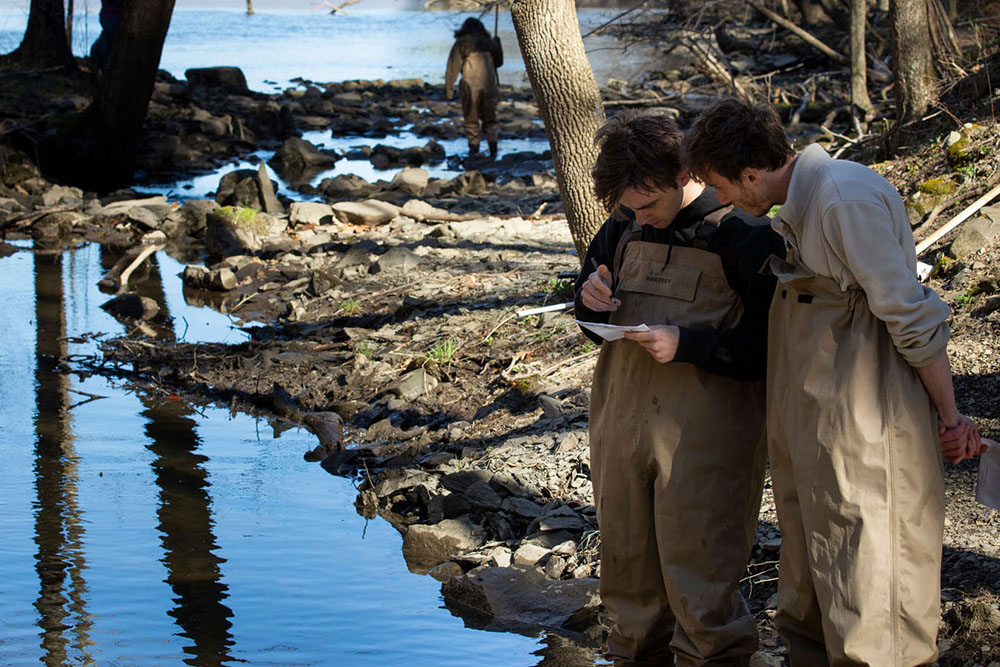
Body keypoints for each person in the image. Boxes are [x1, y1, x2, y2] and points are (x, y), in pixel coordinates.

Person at [683, 97, 985, 666]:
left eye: (723, 187)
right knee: (810, 578)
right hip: (815, 423)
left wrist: (950, 416)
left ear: (751, 174)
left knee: (870, 585)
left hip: (867, 424)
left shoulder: (843, 200)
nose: (721, 201)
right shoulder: (796, 205)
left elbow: (913, 317)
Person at [574, 109, 784, 666]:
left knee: (702, 592)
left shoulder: (744, 234)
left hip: (706, 444)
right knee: (628, 588)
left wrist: (687, 344)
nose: (639, 216)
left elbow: (773, 352)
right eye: (628, 207)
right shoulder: (624, 224)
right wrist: (588, 300)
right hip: (620, 427)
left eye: (648, 204)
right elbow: (588, 317)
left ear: (687, 174)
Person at [444, 18, 503, 158]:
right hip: (489, 83)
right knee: (490, 117)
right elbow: (499, 62)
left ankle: (474, 150)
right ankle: (493, 150)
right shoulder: (489, 41)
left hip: (470, 83)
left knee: (471, 118)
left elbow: (453, 67)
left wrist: (449, 89)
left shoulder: (461, 42)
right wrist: (497, 43)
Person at [89, 0, 124, 70]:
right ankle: (105, 66)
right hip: (110, 17)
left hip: (110, 16)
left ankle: (96, 58)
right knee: (109, 45)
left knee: (108, 39)